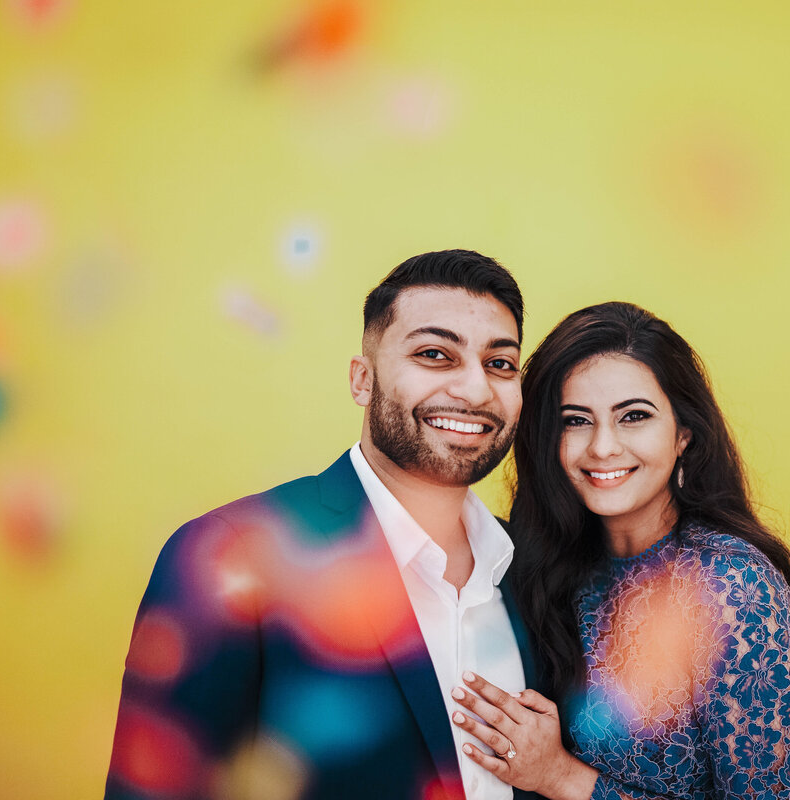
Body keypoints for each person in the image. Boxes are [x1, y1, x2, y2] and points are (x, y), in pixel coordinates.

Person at [105, 250, 543, 800]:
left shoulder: (535, 567)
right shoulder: (235, 555)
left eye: (500, 364)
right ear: (363, 380)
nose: (477, 390)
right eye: (435, 354)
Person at [448, 302, 790, 800]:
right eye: (576, 420)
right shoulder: (547, 567)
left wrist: (560, 776)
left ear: (683, 433)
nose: (603, 447)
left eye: (634, 416)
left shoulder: (735, 588)